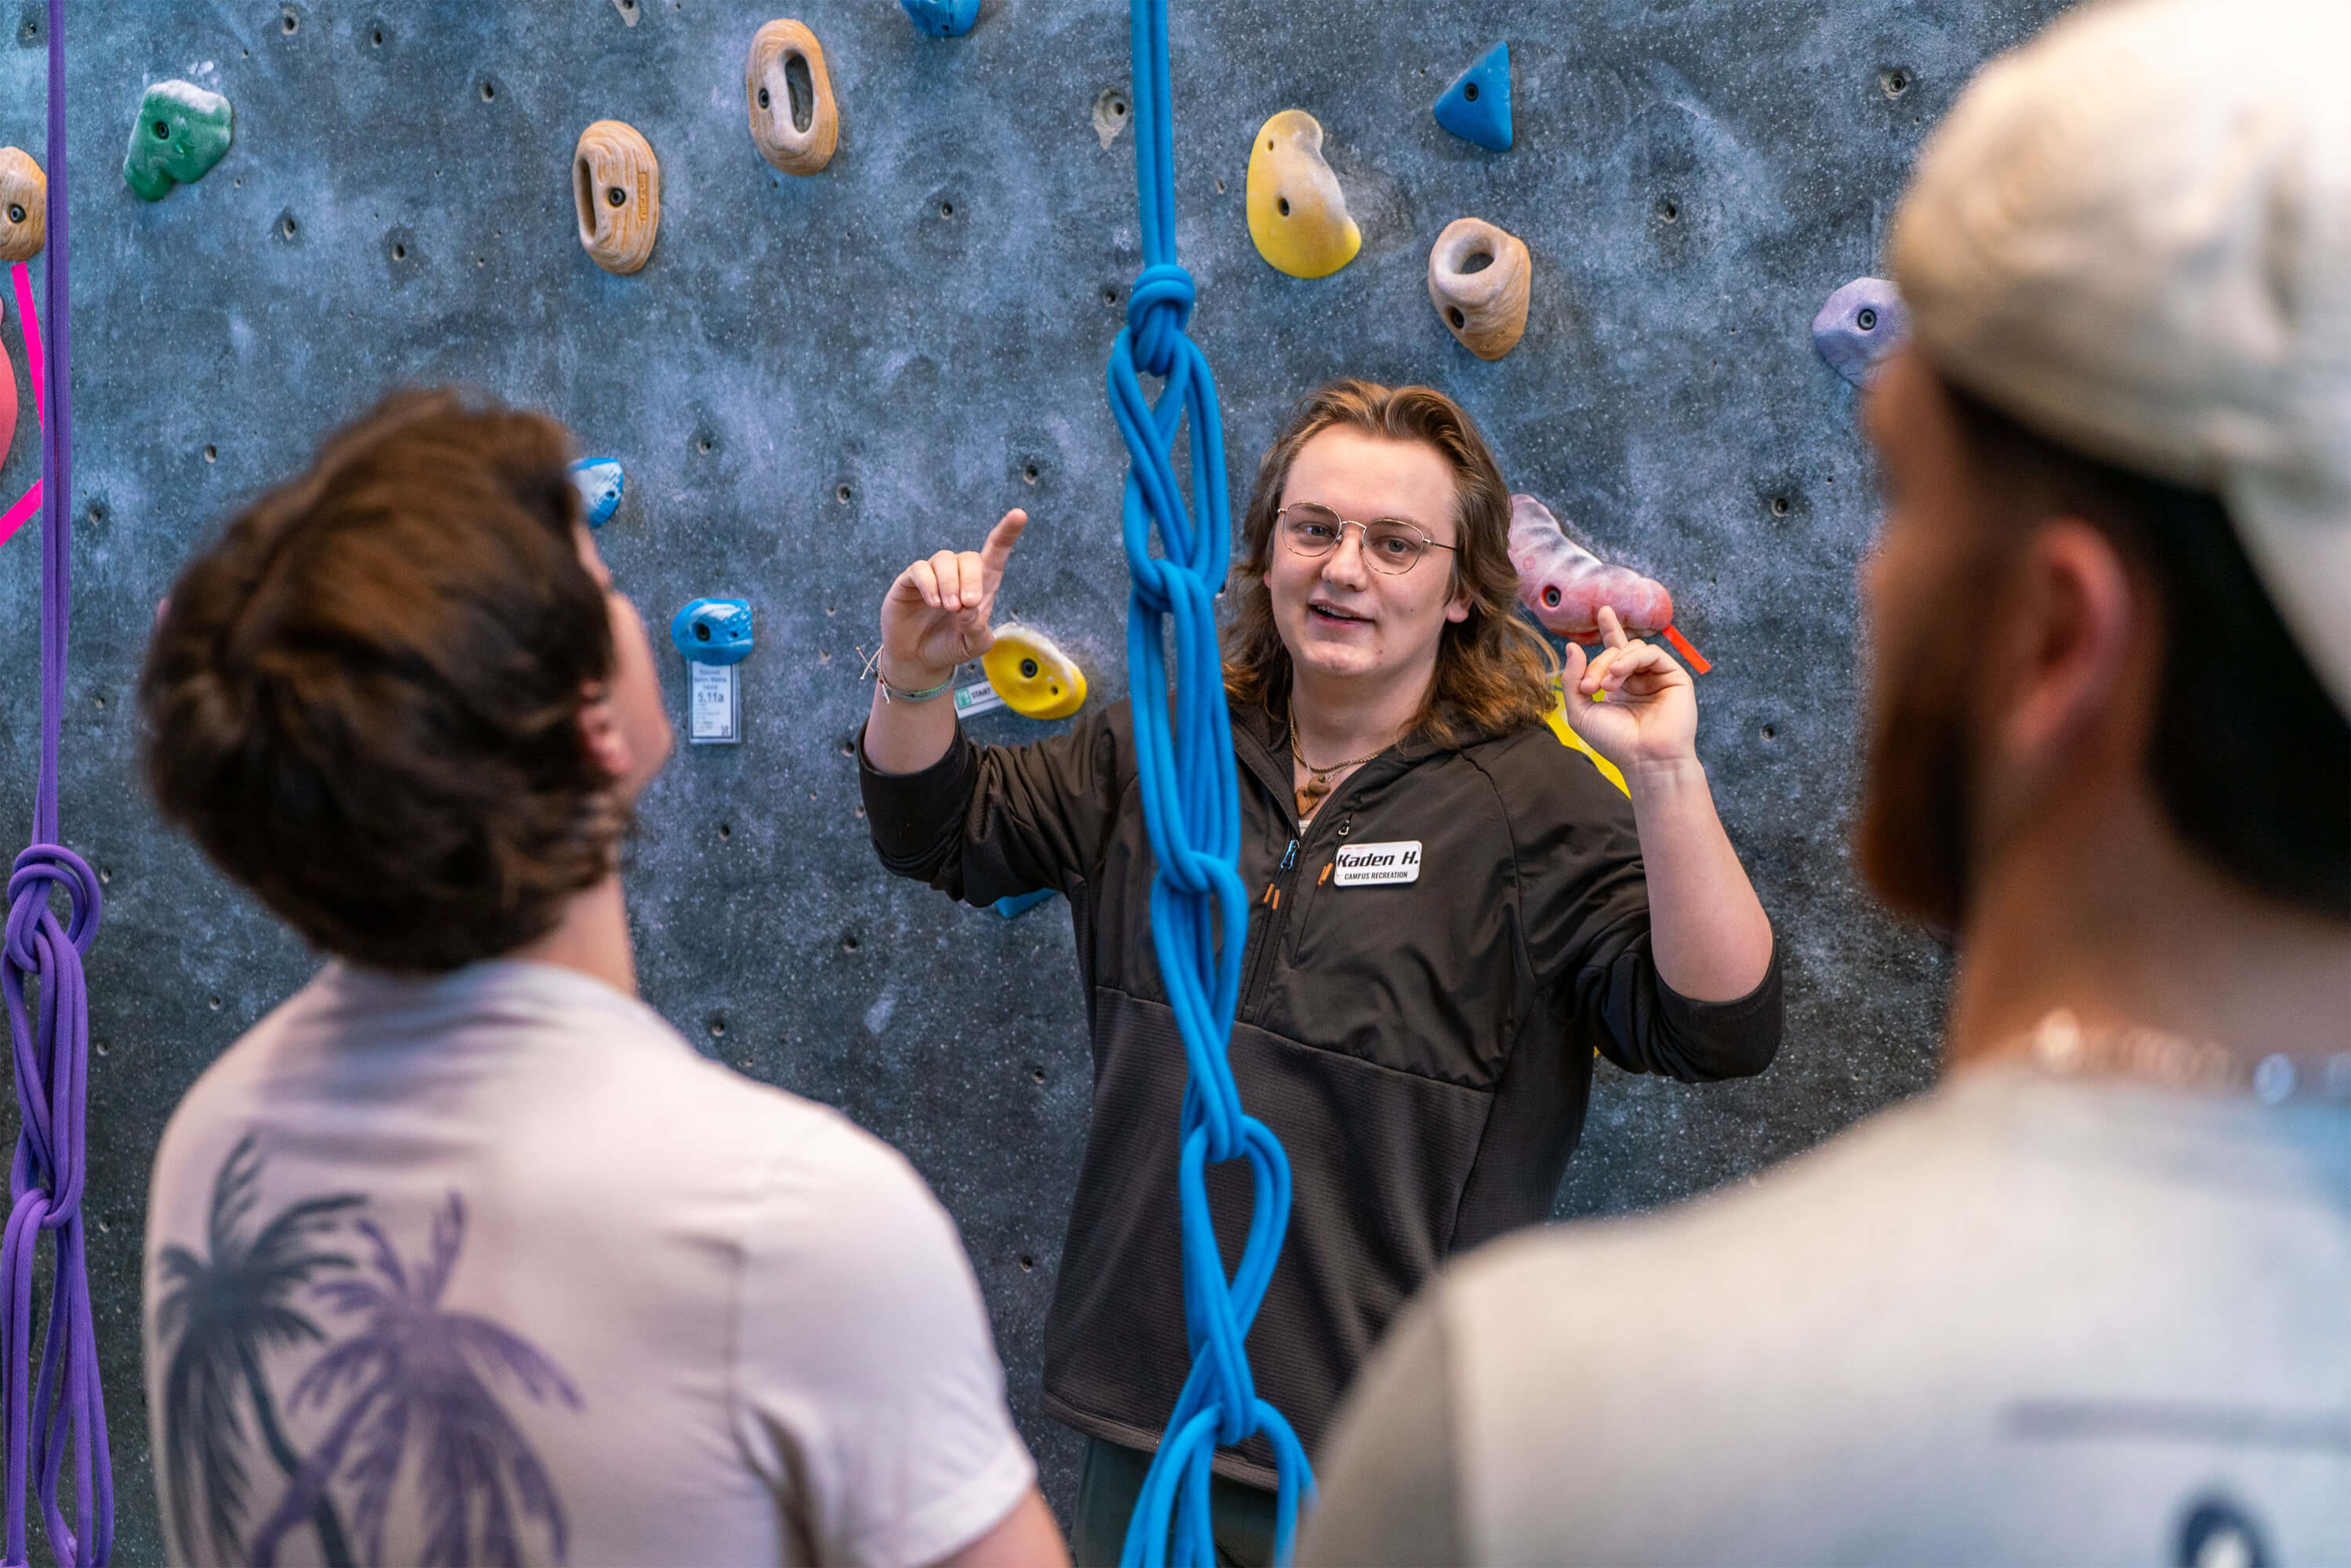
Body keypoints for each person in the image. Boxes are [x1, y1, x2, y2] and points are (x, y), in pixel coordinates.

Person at [1300, 2, 2351, 1561]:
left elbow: (1716, 1018)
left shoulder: (1545, 1427)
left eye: (1907, 497)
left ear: (2052, 636)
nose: (1870, 576)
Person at [138, 391, 1066, 1568]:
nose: (628, 605)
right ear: (596, 727)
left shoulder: (215, 1147)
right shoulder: (786, 1219)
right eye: (602, 584)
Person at [859, 380, 1782, 1562]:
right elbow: (938, 827)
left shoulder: (1533, 808)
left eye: (1396, 543)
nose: (1346, 569)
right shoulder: (1166, 742)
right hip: (1153, 1425)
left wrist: (1663, 775)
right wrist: (916, 675)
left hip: (1384, 1466)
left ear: (1460, 591)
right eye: (1316, 529)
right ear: (1268, 553)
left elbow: (1721, 1027)